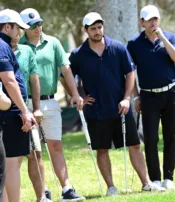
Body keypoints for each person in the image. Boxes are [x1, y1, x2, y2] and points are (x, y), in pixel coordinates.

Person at [60, 12, 165, 196]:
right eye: (93, 28)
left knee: (135, 145)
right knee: (102, 149)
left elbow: (130, 73)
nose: (97, 31)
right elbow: (64, 78)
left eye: (99, 27)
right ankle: (111, 187)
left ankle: (146, 182)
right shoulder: (78, 54)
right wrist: (78, 96)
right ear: (86, 30)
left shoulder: (117, 47)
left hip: (121, 108)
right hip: (96, 110)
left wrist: (126, 98)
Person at [19, 8, 85, 201]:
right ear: (24, 28)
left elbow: (65, 70)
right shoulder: (19, 46)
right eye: (33, 25)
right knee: (35, 152)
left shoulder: (53, 43)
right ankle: (43, 192)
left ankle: (67, 189)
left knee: (56, 146)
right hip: (28, 103)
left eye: (39, 23)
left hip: (50, 102)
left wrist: (75, 94)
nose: (38, 27)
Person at [127, 5, 175, 190]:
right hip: (149, 97)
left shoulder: (170, 37)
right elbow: (129, 72)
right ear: (141, 22)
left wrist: (163, 38)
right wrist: (136, 97)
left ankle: (169, 178)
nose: (153, 23)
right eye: (149, 20)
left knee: (171, 136)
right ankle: (155, 179)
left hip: (171, 93)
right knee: (151, 139)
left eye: (156, 19)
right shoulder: (134, 44)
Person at [0, 8, 37, 202]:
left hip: (10, 112)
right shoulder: (2, 45)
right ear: (7, 27)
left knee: (9, 164)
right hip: (10, 114)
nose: (19, 33)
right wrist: (24, 110)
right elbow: (9, 81)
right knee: (11, 164)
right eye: (17, 29)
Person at [11, 31, 52, 202]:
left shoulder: (27, 51)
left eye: (20, 30)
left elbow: (34, 80)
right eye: (15, 29)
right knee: (13, 159)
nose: (18, 33)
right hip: (5, 110)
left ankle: (41, 197)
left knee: (35, 153)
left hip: (26, 110)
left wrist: (36, 108)